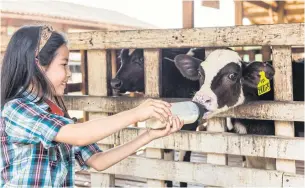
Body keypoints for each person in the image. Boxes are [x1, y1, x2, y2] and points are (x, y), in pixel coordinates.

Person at [0, 25, 183, 187]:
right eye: (64, 64)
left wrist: (149, 135)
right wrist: (136, 113)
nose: (69, 74)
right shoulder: (17, 109)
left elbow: (98, 161)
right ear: (38, 64)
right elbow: (80, 135)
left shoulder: (56, 114)